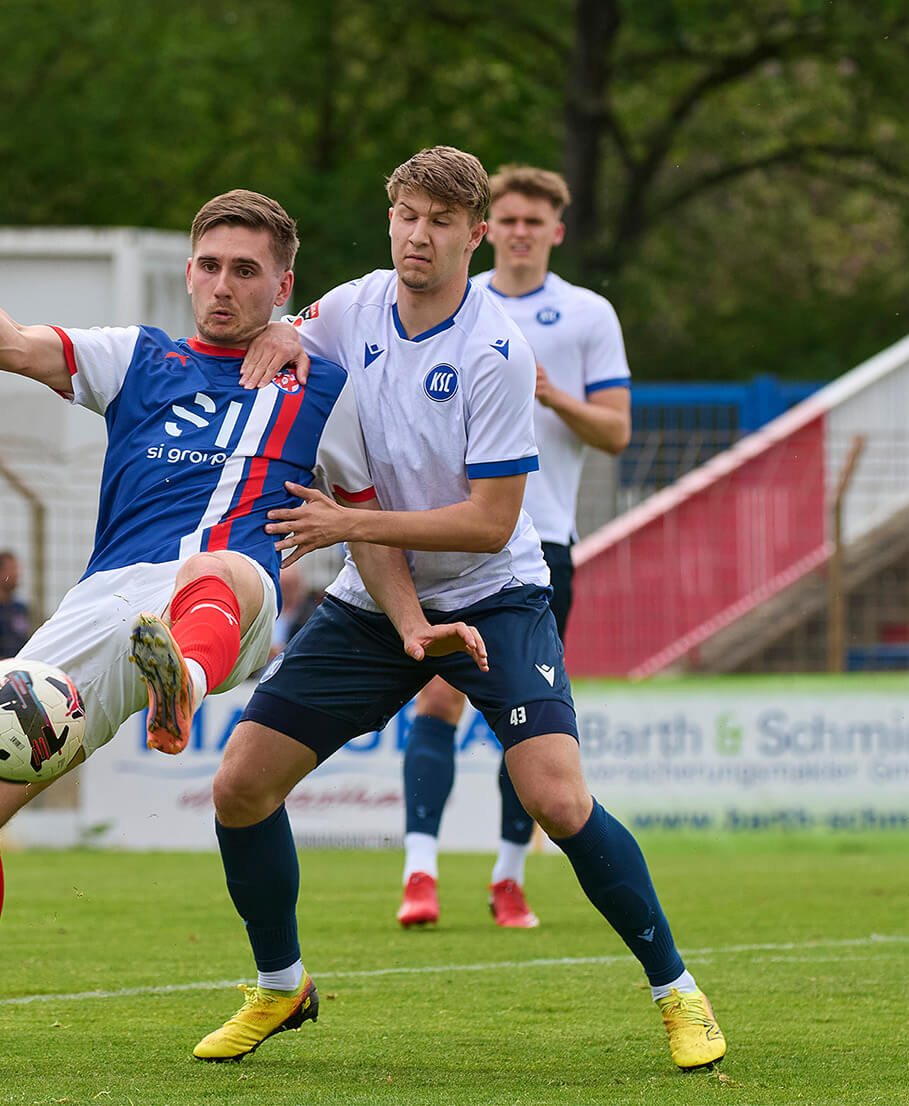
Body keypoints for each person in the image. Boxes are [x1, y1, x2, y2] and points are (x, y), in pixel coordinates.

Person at [0, 189, 484, 1072]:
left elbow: (364, 520)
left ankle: (185, 686)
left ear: (283, 286)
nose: (223, 286)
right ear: (188, 273)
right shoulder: (136, 357)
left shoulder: (324, 388)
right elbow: (12, 346)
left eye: (245, 271)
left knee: (215, 568)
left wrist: (410, 624)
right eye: (209, 266)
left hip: (231, 598)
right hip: (105, 605)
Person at [193, 147, 725, 1071]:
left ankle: (677, 991)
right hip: (375, 597)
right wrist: (277, 333)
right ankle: (281, 986)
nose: (419, 235)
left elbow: (489, 524)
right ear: (390, 217)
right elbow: (283, 333)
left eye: (441, 222)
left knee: (556, 798)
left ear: (474, 237)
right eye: (407, 215)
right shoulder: (353, 306)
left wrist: (344, 520)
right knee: (240, 782)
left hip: (496, 592)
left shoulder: (496, 351)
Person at [397, 164, 632, 931]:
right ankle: (419, 872)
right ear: (487, 228)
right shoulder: (453, 298)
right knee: (438, 695)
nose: (522, 232)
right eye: (511, 219)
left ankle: (508, 876)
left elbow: (617, 431)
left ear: (556, 231)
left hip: (541, 542)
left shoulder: (588, 313)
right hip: (446, 533)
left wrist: (551, 392)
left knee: (524, 722)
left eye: (536, 221)